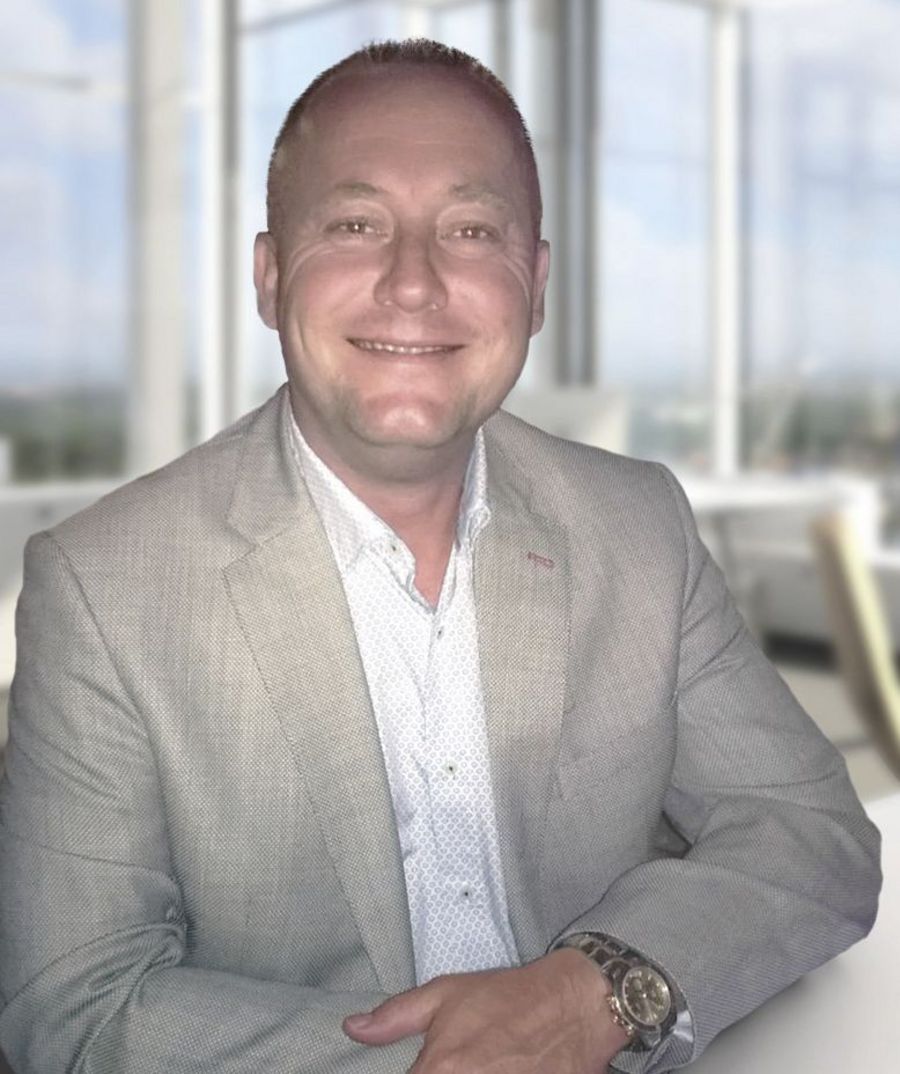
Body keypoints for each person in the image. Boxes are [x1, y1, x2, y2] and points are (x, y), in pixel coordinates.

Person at [0, 38, 881, 1074]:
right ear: (270, 276)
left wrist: (595, 995)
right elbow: (71, 1009)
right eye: (356, 224)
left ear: (535, 286)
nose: (413, 282)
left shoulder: (637, 525)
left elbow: (812, 832)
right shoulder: (104, 588)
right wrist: (472, 1058)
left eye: (470, 230)